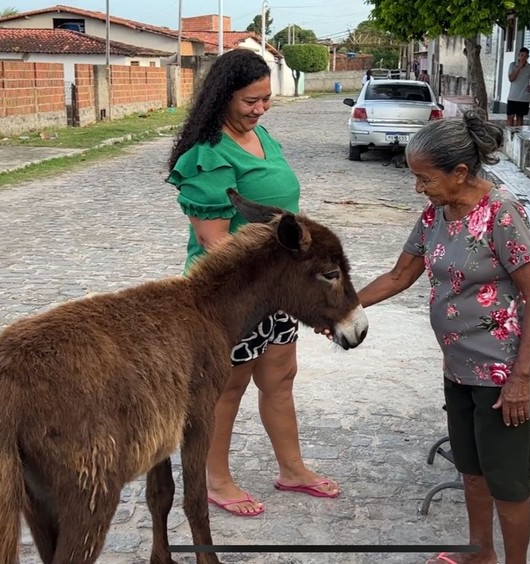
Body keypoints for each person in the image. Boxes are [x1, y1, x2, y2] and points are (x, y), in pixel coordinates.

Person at [354, 109, 530, 564]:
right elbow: (399, 275)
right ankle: (480, 552)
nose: (418, 187)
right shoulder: (435, 215)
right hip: (457, 368)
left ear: (460, 172)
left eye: (425, 178)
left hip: (502, 375)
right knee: (472, 471)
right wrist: (345, 309)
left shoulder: (500, 213)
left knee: (509, 482)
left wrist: (521, 376)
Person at [167, 48, 339, 518]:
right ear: (223, 97)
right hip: (232, 298)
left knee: (280, 379)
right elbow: (214, 240)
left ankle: (293, 469)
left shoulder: (262, 137)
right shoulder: (207, 156)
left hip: (276, 291)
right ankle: (214, 479)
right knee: (227, 389)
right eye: (250, 101)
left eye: (266, 100)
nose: (260, 109)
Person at [506, 47, 530, 128]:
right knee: (510, 117)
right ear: (518, 56)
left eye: (525, 56)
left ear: (528, 57)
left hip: (524, 97)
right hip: (513, 96)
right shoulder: (513, 65)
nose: (523, 58)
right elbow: (511, 79)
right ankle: (509, 135)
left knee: (520, 118)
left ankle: (518, 136)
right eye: (522, 55)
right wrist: (519, 67)